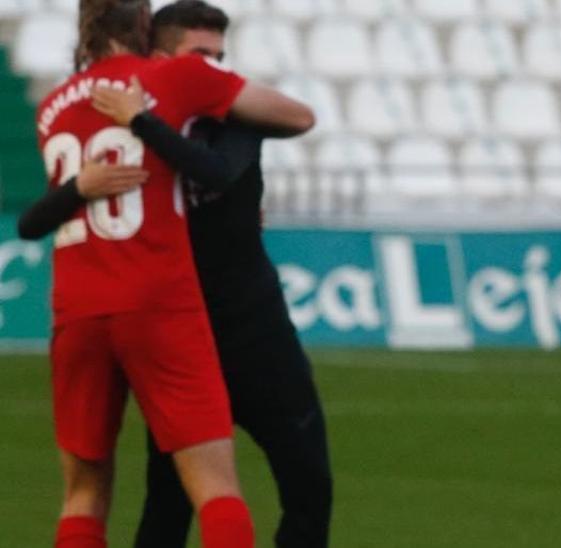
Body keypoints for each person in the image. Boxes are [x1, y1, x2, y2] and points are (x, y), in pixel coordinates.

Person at [20, 1, 333, 546]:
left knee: (89, 494)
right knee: (200, 494)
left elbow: (218, 168)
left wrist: (128, 135)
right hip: (166, 312)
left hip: (154, 312)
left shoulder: (56, 107)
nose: (213, 67)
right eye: (201, 55)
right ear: (152, 42)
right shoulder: (173, 84)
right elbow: (288, 124)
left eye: (221, 57)